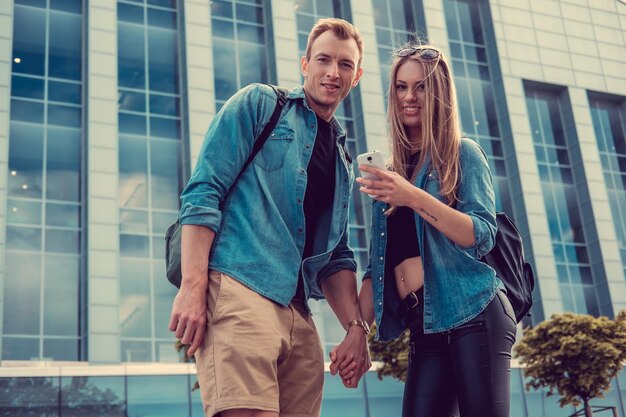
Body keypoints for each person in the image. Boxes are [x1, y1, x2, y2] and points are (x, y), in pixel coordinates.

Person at [168, 18, 371, 417]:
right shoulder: (261, 104)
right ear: (305, 64)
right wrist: (193, 286)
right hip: (241, 286)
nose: (333, 73)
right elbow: (203, 191)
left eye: (345, 65)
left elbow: (335, 256)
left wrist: (356, 329)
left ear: (357, 76)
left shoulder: (344, 161)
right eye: (324, 60)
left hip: (299, 313)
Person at [353, 43, 517, 417]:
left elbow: (480, 233)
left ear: (439, 92)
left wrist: (411, 196)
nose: (409, 96)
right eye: (400, 86)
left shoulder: (462, 153)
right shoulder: (392, 174)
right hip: (424, 325)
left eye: (421, 86)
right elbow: (376, 269)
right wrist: (355, 330)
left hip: (473, 313)